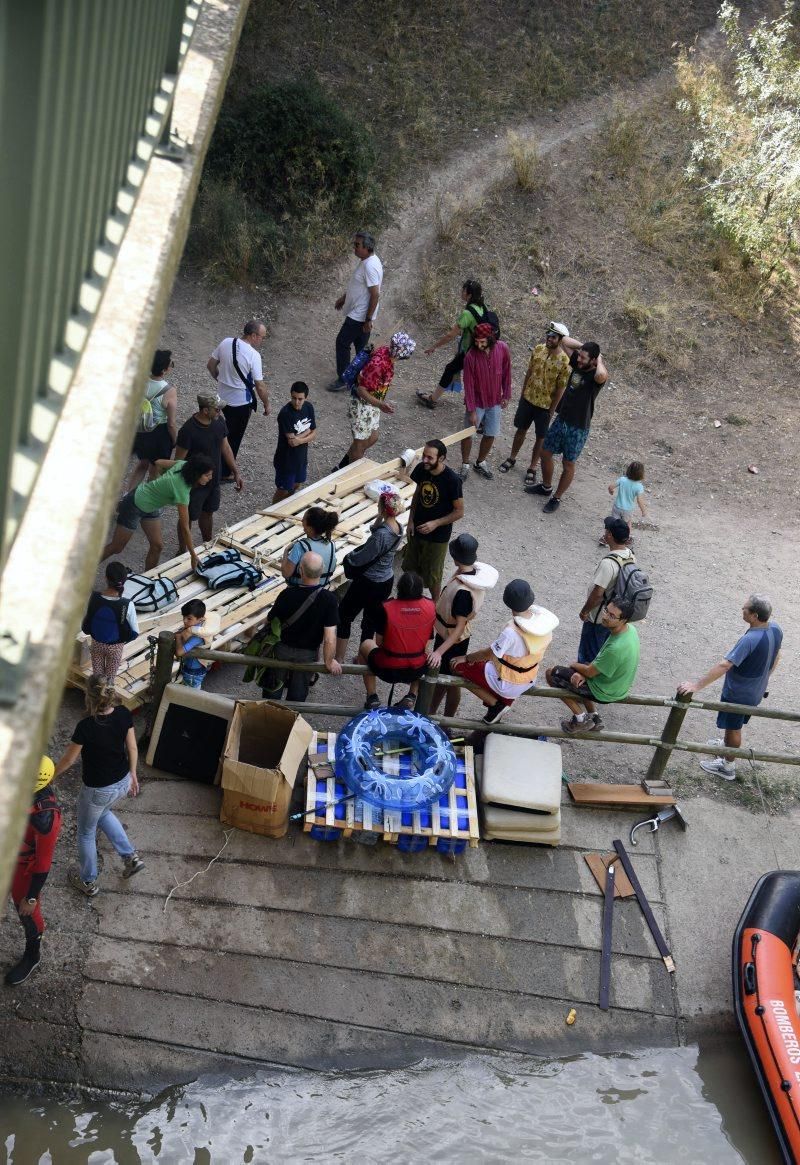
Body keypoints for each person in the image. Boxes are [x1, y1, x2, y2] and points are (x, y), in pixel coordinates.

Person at [53, 677, 145, 898]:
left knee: (85, 832)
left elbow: (68, 761)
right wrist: (133, 774)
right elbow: (132, 747)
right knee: (103, 814)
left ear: (89, 697)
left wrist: (50, 776)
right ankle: (130, 857)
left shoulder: (85, 726)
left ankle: (88, 881)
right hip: (122, 782)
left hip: (97, 790)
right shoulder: (124, 714)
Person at [678, 595, 783, 780]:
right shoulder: (775, 629)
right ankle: (727, 745)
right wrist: (765, 678)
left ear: (755, 616)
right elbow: (777, 655)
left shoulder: (750, 639)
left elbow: (725, 665)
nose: (742, 609)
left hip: (740, 694)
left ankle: (728, 766)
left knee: (734, 728)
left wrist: (696, 686)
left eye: (745, 609)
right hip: (756, 690)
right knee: (734, 724)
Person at [451, 579, 558, 725]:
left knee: (458, 666)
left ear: (507, 602)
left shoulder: (511, 632)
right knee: (488, 665)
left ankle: (496, 706)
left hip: (509, 682)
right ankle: (497, 707)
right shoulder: (544, 625)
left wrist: (467, 658)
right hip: (529, 677)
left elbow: (489, 653)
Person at [528, 336, 608, 513]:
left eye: (583, 358)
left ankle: (556, 497)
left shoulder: (595, 378)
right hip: (562, 420)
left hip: (578, 427)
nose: (578, 360)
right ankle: (546, 487)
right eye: (579, 356)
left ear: (593, 361)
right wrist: (583, 348)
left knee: (568, 463)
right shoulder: (578, 363)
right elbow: (564, 341)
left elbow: (602, 374)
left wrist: (599, 357)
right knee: (545, 453)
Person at [101, 454, 214, 572]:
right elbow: (185, 528)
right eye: (207, 475)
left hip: (151, 507)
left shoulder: (183, 465)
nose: (210, 477)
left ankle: (148, 579)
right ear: (196, 474)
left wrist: (158, 482)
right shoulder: (181, 491)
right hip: (135, 504)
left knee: (157, 546)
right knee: (116, 547)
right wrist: (193, 555)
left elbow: (159, 462)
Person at [5, 757, 62, 986]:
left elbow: (43, 863)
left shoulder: (44, 818)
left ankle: (32, 955)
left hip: (23, 868)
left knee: (27, 913)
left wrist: (31, 898)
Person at [427, 534, 498, 718]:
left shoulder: (463, 593)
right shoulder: (469, 574)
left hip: (453, 639)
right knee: (443, 680)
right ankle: (432, 712)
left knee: (452, 681)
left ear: (456, 556)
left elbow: (459, 627)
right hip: (448, 635)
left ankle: (448, 719)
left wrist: (439, 652)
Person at [260, 552, 342, 702]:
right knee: (298, 693)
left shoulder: (287, 594)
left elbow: (269, 622)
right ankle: (292, 718)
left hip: (281, 649)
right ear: (322, 570)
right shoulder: (329, 600)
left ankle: (268, 715)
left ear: (300, 570)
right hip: (307, 655)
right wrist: (329, 661)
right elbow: (330, 638)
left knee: (273, 687)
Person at [547, 599, 639, 733]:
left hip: (605, 691)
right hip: (618, 686)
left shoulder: (616, 648)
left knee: (551, 673)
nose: (605, 616)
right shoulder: (629, 630)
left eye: (612, 616)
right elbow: (595, 665)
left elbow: (590, 672)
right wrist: (583, 672)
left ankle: (580, 719)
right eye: (606, 610)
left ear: (623, 620)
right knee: (579, 671)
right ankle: (594, 718)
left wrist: (575, 666)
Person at [336, 490, 404, 663]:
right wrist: (381, 516)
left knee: (344, 615)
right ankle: (362, 659)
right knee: (370, 622)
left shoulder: (381, 536)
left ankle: (339, 657)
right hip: (385, 580)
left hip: (368, 582)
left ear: (382, 508)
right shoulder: (398, 527)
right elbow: (375, 529)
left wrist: (348, 557)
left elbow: (363, 557)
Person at [499, 322, 570, 483]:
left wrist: (552, 410)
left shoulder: (565, 361)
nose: (549, 338)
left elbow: (561, 388)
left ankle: (532, 467)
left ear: (560, 340)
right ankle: (512, 457)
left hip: (545, 406)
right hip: (528, 399)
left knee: (540, 438)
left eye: (553, 337)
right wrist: (523, 394)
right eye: (548, 335)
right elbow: (529, 373)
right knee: (521, 430)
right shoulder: (538, 349)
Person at [336, 332, 416, 468]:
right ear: (401, 353)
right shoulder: (378, 365)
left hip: (371, 404)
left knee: (372, 438)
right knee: (360, 444)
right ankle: (348, 474)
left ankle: (342, 466)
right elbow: (361, 390)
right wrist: (381, 404)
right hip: (362, 404)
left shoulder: (387, 353)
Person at [358, 572, 436, 711]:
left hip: (387, 667)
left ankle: (372, 696)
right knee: (424, 655)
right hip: (416, 669)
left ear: (400, 588)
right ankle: (412, 694)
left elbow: (379, 643)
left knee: (365, 644)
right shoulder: (430, 607)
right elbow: (427, 644)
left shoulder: (386, 607)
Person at [174, 390, 243, 547]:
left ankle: (207, 543)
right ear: (205, 410)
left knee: (208, 512)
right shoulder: (188, 431)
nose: (220, 411)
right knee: (187, 517)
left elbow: (225, 447)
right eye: (217, 409)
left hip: (213, 481)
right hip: (194, 485)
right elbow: (177, 461)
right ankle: (182, 550)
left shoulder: (219, 421)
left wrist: (236, 472)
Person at [402, 440, 464, 601]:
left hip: (437, 537)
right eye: (424, 456)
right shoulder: (422, 469)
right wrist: (410, 521)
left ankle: (434, 606)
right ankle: (410, 600)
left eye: (430, 457)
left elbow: (459, 511)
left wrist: (435, 523)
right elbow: (417, 494)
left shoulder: (452, 480)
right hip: (417, 529)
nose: (425, 460)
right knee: (410, 568)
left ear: (441, 458)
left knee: (433, 576)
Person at [416, 279, 486, 409]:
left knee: (451, 370)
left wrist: (433, 347)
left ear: (469, 294)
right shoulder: (482, 307)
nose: (461, 292)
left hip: (470, 352)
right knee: (468, 374)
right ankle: (480, 407)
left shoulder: (467, 313)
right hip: (483, 350)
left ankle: (432, 399)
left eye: (464, 290)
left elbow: (450, 335)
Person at [206, 319, 269, 461]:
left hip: (221, 397)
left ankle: (212, 457)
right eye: (262, 337)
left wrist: (220, 379)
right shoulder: (254, 355)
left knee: (219, 430)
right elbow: (259, 385)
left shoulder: (226, 342)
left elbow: (210, 365)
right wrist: (266, 403)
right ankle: (226, 470)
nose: (262, 340)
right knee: (234, 437)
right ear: (253, 335)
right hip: (241, 403)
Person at [329, 231, 384, 391]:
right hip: (362, 315)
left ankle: (344, 379)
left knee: (342, 343)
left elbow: (375, 294)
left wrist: (367, 319)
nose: (354, 247)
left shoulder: (370, 265)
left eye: (357, 245)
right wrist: (344, 298)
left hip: (359, 316)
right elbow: (359, 287)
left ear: (367, 247)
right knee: (361, 349)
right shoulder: (367, 261)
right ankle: (363, 380)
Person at [578, 517, 636, 664]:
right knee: (602, 650)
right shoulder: (630, 555)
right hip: (615, 613)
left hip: (598, 617)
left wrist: (585, 611)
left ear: (609, 534)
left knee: (588, 656)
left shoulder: (608, 563)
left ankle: (582, 682)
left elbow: (597, 594)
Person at [460, 322, 512, 481]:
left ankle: (480, 462)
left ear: (490, 338)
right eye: (476, 341)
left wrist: (506, 394)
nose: (478, 344)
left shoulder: (502, 348)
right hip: (476, 402)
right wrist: (472, 410)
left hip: (495, 401)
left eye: (482, 342)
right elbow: (468, 385)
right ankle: (465, 464)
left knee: (491, 433)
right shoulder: (470, 356)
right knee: (468, 434)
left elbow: (506, 372)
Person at [127, 349, 178, 491]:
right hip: (159, 433)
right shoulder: (169, 391)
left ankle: (127, 496)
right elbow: (171, 423)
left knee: (142, 463)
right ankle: (147, 502)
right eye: (170, 364)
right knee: (155, 468)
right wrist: (175, 440)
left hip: (141, 428)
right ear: (164, 370)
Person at [81, 561, 139, 680]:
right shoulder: (127, 604)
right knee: (110, 679)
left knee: (97, 677)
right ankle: (107, 695)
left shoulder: (93, 597)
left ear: (105, 578)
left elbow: (87, 622)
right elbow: (135, 632)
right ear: (124, 581)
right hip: (115, 647)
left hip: (97, 643)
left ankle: (95, 695)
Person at [273, 381, 317, 504]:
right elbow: (292, 442)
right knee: (282, 490)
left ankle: (286, 505)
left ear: (305, 398)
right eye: (294, 398)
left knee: (296, 484)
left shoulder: (308, 407)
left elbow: (314, 432)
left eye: (300, 399)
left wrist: (301, 439)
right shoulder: (285, 414)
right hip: (286, 461)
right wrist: (307, 432)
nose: (296, 402)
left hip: (301, 459)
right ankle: (274, 510)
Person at [281, 506, 338, 588]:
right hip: (322, 591)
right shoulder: (332, 545)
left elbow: (286, 573)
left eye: (304, 519)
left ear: (310, 527)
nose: (301, 521)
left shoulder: (300, 546)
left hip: (299, 594)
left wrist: (286, 552)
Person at [174, 599, 217, 689]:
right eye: (184, 617)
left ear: (200, 619)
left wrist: (178, 638)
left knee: (192, 694)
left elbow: (179, 653)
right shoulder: (197, 627)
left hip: (193, 672)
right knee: (190, 690)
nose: (185, 621)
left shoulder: (197, 637)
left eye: (189, 618)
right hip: (193, 669)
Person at [606, 460, 647, 539]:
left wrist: (611, 491)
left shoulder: (622, 480)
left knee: (613, 522)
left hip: (617, 506)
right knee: (627, 524)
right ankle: (626, 538)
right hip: (628, 510)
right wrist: (643, 511)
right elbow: (639, 500)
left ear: (628, 470)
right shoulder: (639, 486)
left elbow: (610, 487)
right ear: (641, 474)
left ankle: (607, 537)